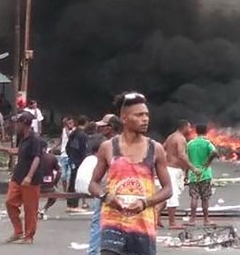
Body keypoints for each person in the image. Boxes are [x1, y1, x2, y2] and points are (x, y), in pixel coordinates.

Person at [89, 93, 173, 255]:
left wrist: (145, 203)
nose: (145, 119)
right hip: (113, 225)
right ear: (124, 118)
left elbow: (168, 189)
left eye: (147, 115)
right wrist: (106, 197)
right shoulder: (108, 147)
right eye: (139, 115)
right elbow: (93, 184)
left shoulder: (155, 149)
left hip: (143, 228)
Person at [78, 114, 122, 253]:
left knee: (99, 224)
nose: (100, 128)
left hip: (110, 190)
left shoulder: (113, 145)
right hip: (104, 190)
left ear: (111, 127)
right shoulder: (109, 144)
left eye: (104, 126)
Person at [0, 111, 44, 244]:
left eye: (18, 123)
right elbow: (19, 151)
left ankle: (29, 235)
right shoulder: (22, 137)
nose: (15, 125)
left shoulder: (35, 139)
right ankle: (18, 231)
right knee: (10, 202)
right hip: (18, 175)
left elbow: (37, 157)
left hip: (30, 178)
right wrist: (2, 148)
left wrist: (29, 176)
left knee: (30, 208)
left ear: (24, 123)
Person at [160, 120, 193, 229]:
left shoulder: (171, 137)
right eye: (189, 127)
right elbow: (182, 155)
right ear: (184, 127)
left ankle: (156, 218)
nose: (190, 129)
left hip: (170, 169)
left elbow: (162, 149)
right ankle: (172, 223)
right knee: (172, 196)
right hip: (173, 170)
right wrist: (193, 168)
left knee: (165, 196)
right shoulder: (180, 138)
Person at [185, 122, 218, 228]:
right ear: (206, 131)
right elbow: (214, 152)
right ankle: (206, 220)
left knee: (194, 197)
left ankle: (192, 220)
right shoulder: (207, 143)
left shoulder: (190, 144)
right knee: (205, 198)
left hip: (193, 173)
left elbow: (186, 160)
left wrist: (186, 174)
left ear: (196, 131)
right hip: (205, 174)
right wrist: (207, 162)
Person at [65, 116, 90, 212]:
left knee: (72, 180)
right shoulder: (82, 135)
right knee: (76, 181)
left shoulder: (73, 133)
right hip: (79, 160)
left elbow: (68, 147)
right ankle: (73, 204)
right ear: (86, 123)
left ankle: (70, 203)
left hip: (73, 159)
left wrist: (71, 156)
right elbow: (83, 149)